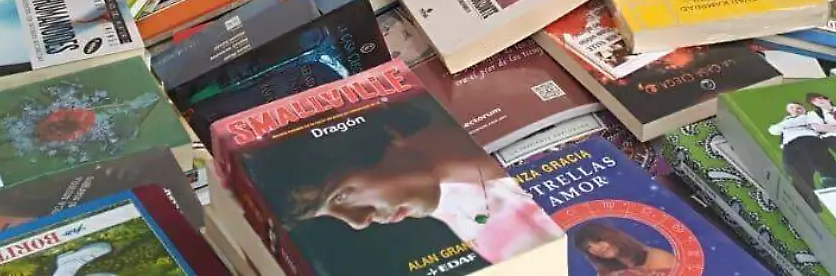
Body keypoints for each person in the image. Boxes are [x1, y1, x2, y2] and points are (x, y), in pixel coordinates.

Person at [280, 101, 560, 263]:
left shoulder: (505, 102)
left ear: (390, 137)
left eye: (340, 197)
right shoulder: (477, 230)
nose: (358, 222)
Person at [570, 222, 677, 274]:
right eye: (589, 248)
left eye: (598, 240)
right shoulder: (605, 274)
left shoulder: (656, 256)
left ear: (611, 236)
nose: (597, 249)